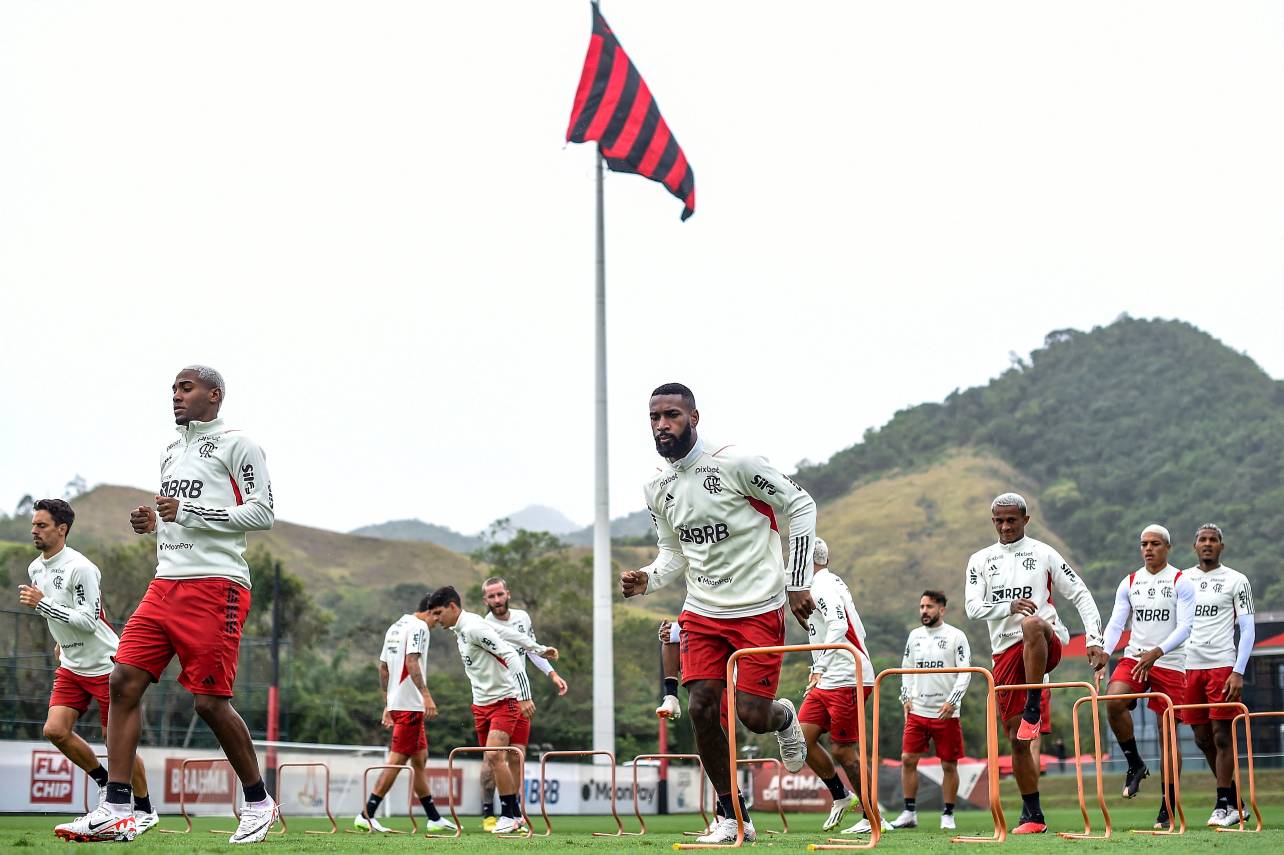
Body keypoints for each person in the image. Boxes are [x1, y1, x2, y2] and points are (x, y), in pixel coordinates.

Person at [57, 366, 278, 844]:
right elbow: (178, 517)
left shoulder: (239, 444)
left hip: (216, 585)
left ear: (214, 395)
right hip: (164, 584)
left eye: (186, 388)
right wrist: (153, 524)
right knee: (122, 680)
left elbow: (263, 512)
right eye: (174, 389)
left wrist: (191, 513)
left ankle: (258, 801)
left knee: (210, 704)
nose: (175, 396)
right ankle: (118, 805)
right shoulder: (171, 450)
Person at [620, 382, 817, 844]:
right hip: (703, 610)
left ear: (694, 417)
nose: (661, 425)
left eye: (671, 415)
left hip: (758, 606)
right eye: (654, 418)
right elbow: (673, 552)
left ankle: (783, 717)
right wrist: (649, 576)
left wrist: (798, 580)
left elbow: (801, 505)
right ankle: (732, 816)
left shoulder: (736, 464)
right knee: (701, 708)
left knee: (751, 713)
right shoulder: (656, 485)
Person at [965, 492, 1106, 835]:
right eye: (999, 520)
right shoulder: (980, 560)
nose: (1005, 526)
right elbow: (972, 608)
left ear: (1026, 520)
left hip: (1046, 639)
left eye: (1012, 520)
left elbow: (1081, 594)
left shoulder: (1043, 553)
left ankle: (1033, 708)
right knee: (1016, 740)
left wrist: (1095, 640)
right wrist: (1008, 606)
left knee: (1031, 624)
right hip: (1005, 653)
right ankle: (1033, 815)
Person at [22, 500, 157, 840]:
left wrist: (45, 605)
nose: (34, 530)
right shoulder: (35, 569)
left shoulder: (81, 568)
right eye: (34, 525)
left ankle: (144, 809)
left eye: (42, 525)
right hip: (71, 665)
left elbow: (88, 619)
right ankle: (103, 782)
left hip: (104, 665)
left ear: (62, 529)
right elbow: (67, 617)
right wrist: (60, 638)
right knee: (55, 731)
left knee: (118, 746)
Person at [1101, 524, 1195, 830]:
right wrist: (1104, 650)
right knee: (1113, 701)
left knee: (1165, 733)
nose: (1148, 549)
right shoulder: (1129, 582)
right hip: (1136, 656)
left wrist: (1159, 650)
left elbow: (1185, 627)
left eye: (1155, 544)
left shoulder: (1182, 581)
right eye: (1144, 544)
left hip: (1169, 660)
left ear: (1167, 547)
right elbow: (1117, 623)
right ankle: (1135, 764)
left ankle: (1167, 805)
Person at [426, 586, 537, 835]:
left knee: (498, 757)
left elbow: (510, 653)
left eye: (438, 612)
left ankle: (508, 815)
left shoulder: (473, 627)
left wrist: (524, 696)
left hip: (504, 701)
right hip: (481, 705)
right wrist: (538, 648)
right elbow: (507, 633)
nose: (435, 619)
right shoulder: (461, 627)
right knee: (492, 759)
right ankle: (514, 814)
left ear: (453, 607)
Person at [353, 595, 454, 834]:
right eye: (437, 616)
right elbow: (412, 661)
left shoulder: (396, 626)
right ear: (429, 611)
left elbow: (384, 667)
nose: (438, 622)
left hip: (400, 703)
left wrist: (388, 702)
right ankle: (366, 814)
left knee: (420, 759)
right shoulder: (419, 627)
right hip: (411, 705)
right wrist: (426, 696)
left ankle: (433, 818)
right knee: (398, 760)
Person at [796, 539, 877, 834]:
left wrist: (820, 666)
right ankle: (842, 796)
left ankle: (871, 815)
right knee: (800, 740)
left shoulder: (822, 585)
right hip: (829, 676)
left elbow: (839, 625)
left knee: (844, 751)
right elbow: (859, 628)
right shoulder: (826, 583)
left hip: (847, 676)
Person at [479, 577, 565, 831]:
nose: (496, 600)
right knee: (492, 758)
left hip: (522, 698)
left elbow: (531, 650)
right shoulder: (484, 626)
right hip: (499, 697)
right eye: (491, 597)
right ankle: (488, 812)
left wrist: (552, 674)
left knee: (517, 756)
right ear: (485, 600)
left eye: (499, 594)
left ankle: (514, 811)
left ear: (508, 593)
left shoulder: (522, 617)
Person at [1183, 524, 1255, 827]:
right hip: (1189, 667)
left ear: (1221, 546)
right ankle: (1235, 803)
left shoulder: (1236, 580)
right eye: (1203, 540)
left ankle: (1222, 802)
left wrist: (1238, 671)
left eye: (1213, 540)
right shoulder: (1182, 580)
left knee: (1222, 736)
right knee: (1201, 738)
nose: (1208, 544)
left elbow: (1248, 628)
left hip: (1222, 665)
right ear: (1195, 545)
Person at [892, 589, 971, 831]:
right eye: (922, 607)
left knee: (948, 764)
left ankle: (948, 814)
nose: (924, 611)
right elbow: (906, 668)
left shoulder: (956, 636)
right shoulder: (914, 636)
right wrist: (905, 697)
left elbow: (965, 670)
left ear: (942, 610)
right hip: (917, 710)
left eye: (929, 607)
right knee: (907, 759)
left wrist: (953, 700)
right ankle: (909, 812)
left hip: (945, 712)